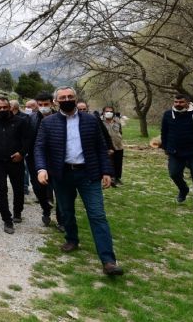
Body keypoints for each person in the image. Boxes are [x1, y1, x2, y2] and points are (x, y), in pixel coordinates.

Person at [35, 86, 123, 276]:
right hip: (62, 174)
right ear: (56, 101)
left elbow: (101, 147)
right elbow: (40, 147)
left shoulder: (90, 120)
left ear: (75, 98)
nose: (67, 100)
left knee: (97, 215)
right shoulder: (48, 123)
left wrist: (107, 171)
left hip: (88, 174)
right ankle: (72, 239)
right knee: (66, 211)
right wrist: (41, 169)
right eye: (62, 97)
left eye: (70, 96)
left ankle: (108, 260)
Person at [0, 97, 29, 234]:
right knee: (1, 190)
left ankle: (17, 212)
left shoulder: (21, 121)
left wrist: (21, 153)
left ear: (10, 107)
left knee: (18, 189)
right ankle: (7, 220)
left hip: (15, 161)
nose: (2, 109)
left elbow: (27, 140)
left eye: (5, 107)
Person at [26, 91, 61, 228]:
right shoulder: (31, 119)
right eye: (40, 105)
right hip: (34, 159)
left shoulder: (60, 118)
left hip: (56, 159)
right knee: (38, 188)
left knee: (60, 190)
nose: (43, 107)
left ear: (52, 103)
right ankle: (46, 209)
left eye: (46, 104)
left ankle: (61, 219)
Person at [102, 106, 124, 186]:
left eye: (111, 111)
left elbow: (120, 132)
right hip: (107, 146)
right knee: (109, 163)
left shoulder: (117, 122)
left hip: (118, 145)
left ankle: (117, 178)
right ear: (103, 113)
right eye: (107, 111)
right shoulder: (100, 122)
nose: (109, 113)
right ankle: (110, 178)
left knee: (118, 163)